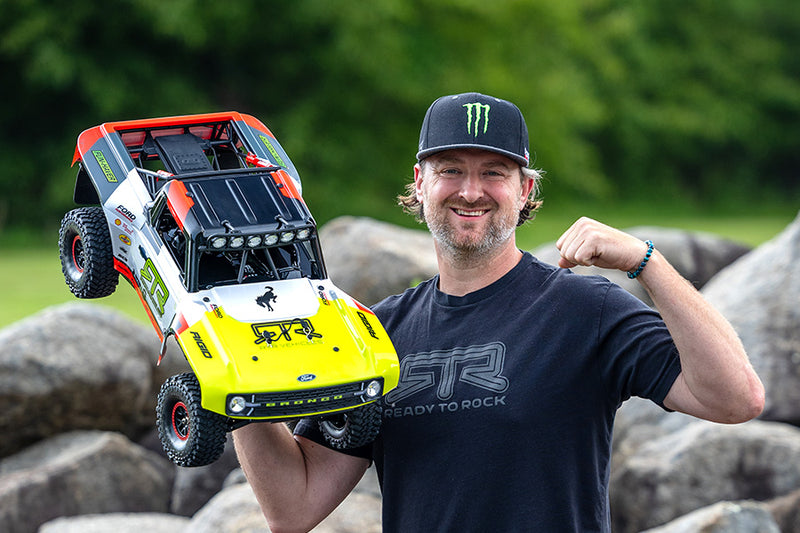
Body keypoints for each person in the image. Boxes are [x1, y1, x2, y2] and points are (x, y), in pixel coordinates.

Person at [233, 92, 765, 532]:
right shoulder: (378, 334)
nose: (470, 190)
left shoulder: (585, 310)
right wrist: (235, 370)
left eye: (494, 172)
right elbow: (293, 506)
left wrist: (650, 263)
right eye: (450, 170)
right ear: (420, 183)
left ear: (525, 189)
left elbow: (737, 398)